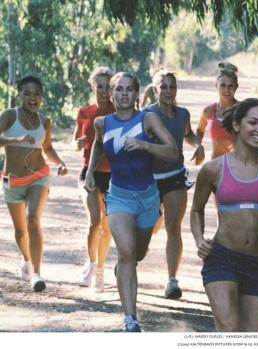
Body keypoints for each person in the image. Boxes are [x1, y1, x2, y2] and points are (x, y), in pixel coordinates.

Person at [83, 72, 179, 332]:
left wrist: (144, 146)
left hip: (148, 197)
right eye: (118, 89)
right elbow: (99, 145)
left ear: (137, 94)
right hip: (119, 196)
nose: (123, 94)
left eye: (128, 89)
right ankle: (131, 319)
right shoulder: (102, 123)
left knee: (138, 253)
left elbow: (173, 151)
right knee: (126, 254)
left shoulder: (147, 119)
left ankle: (125, 268)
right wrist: (90, 173)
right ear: (110, 94)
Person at [191, 98, 258, 331]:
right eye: (253, 122)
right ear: (236, 125)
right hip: (222, 258)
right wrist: (198, 239)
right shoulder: (213, 169)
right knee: (229, 331)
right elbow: (196, 209)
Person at [0, 75, 68, 292]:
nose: (32, 98)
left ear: (41, 97)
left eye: (37, 94)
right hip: (12, 180)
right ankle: (27, 260)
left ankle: (36, 273)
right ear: (19, 94)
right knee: (21, 231)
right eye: (27, 93)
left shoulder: (44, 121)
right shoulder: (9, 116)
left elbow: (47, 148)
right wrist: (16, 140)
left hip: (38, 176)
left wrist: (60, 162)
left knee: (33, 219)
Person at [144, 69, 204, 299]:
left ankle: (172, 281)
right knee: (146, 227)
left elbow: (187, 135)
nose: (168, 91)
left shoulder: (183, 114)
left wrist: (197, 145)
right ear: (155, 89)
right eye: (164, 86)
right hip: (149, 179)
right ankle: (131, 261)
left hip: (175, 176)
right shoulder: (146, 115)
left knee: (173, 227)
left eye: (172, 86)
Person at [73, 66, 115, 292]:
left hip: (112, 176)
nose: (104, 91)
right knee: (94, 221)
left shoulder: (119, 112)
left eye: (108, 86)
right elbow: (75, 141)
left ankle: (100, 270)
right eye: (100, 86)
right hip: (88, 172)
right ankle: (90, 263)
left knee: (107, 228)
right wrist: (77, 144)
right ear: (93, 86)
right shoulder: (84, 112)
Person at [195, 62, 238, 159]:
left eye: (230, 86)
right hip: (216, 164)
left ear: (236, 87)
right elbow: (199, 130)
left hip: (237, 165)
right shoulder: (208, 111)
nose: (227, 90)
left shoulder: (243, 110)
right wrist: (198, 147)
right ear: (216, 86)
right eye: (223, 85)